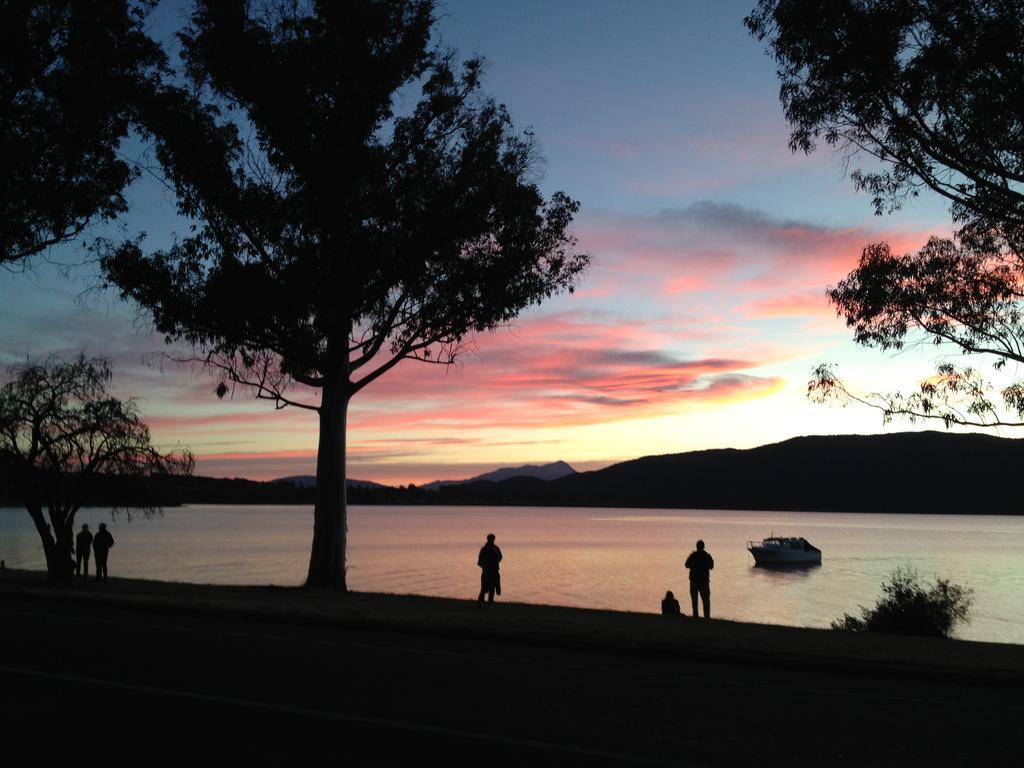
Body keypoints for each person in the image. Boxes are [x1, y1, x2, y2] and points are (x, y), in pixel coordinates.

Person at [684, 539, 714, 618]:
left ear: (697, 547)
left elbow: (686, 565)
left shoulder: (693, 555)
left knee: (694, 600)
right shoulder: (707, 556)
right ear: (703, 547)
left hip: (694, 581)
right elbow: (711, 566)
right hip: (704, 581)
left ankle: (695, 616)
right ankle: (706, 617)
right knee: (706, 601)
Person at [477, 533, 502, 606]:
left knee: (492, 588)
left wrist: (495, 563)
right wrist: (485, 567)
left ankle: (490, 603)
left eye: (493, 538)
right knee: (484, 588)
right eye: (491, 538)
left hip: (494, 571)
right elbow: (480, 561)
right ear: (488, 539)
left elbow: (500, 557)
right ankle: (481, 602)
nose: (492, 540)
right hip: (486, 571)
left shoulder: (496, 548)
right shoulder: (484, 549)